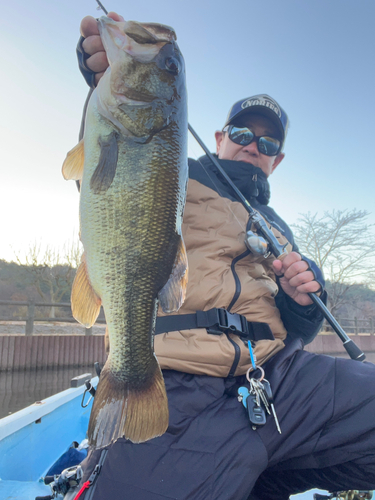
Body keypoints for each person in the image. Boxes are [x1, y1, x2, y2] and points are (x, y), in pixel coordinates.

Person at [70, 13, 375, 500]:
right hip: (175, 382)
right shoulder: (175, 170)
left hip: (277, 381)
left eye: (269, 143)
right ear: (219, 137)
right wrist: (101, 84)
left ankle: (255, 469)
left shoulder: (280, 227)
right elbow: (103, 174)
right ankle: (242, 469)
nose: (255, 146)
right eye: (243, 133)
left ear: (277, 160)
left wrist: (301, 299)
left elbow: (298, 331)